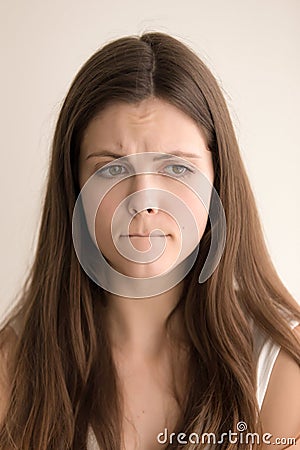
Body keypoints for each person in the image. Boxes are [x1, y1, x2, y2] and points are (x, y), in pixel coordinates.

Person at [0, 32, 299, 450]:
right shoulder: (13, 368)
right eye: (111, 169)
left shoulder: (280, 366)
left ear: (218, 181)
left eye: (177, 169)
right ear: (74, 189)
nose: (143, 201)